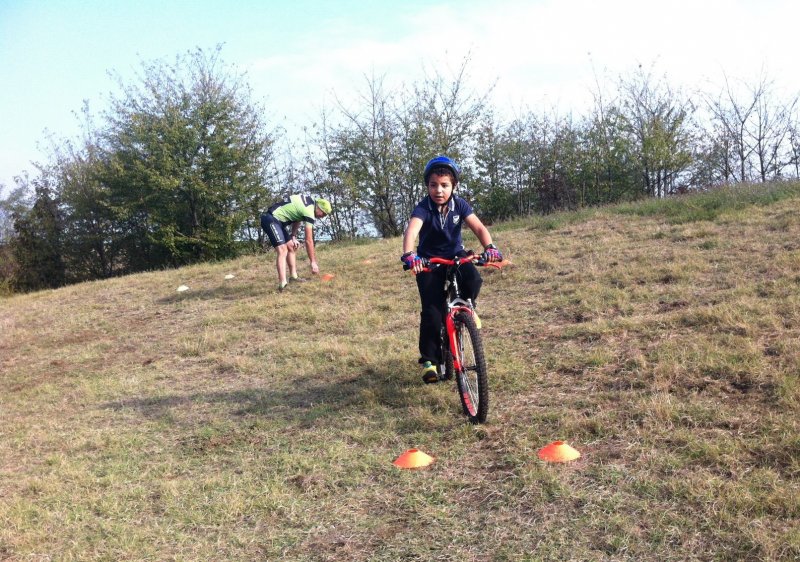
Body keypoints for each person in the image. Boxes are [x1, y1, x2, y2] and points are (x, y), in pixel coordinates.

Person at [401, 156, 503, 384]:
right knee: (432, 313)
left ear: (453, 186)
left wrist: (490, 247)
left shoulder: (461, 205)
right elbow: (412, 231)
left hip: (456, 255)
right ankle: (430, 361)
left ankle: (467, 308)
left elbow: (478, 226)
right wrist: (410, 255)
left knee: (473, 280)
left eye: (444, 185)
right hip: (428, 261)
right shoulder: (423, 208)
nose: (439, 190)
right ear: (427, 186)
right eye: (433, 185)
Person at [261, 194, 332, 291]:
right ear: (319, 207)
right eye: (323, 213)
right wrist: (313, 262)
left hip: (278, 222)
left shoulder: (308, 202)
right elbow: (309, 240)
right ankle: (283, 283)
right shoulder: (309, 211)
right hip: (270, 219)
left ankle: (293, 277)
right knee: (282, 250)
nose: (322, 217)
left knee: (291, 246)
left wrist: (293, 236)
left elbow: (297, 218)